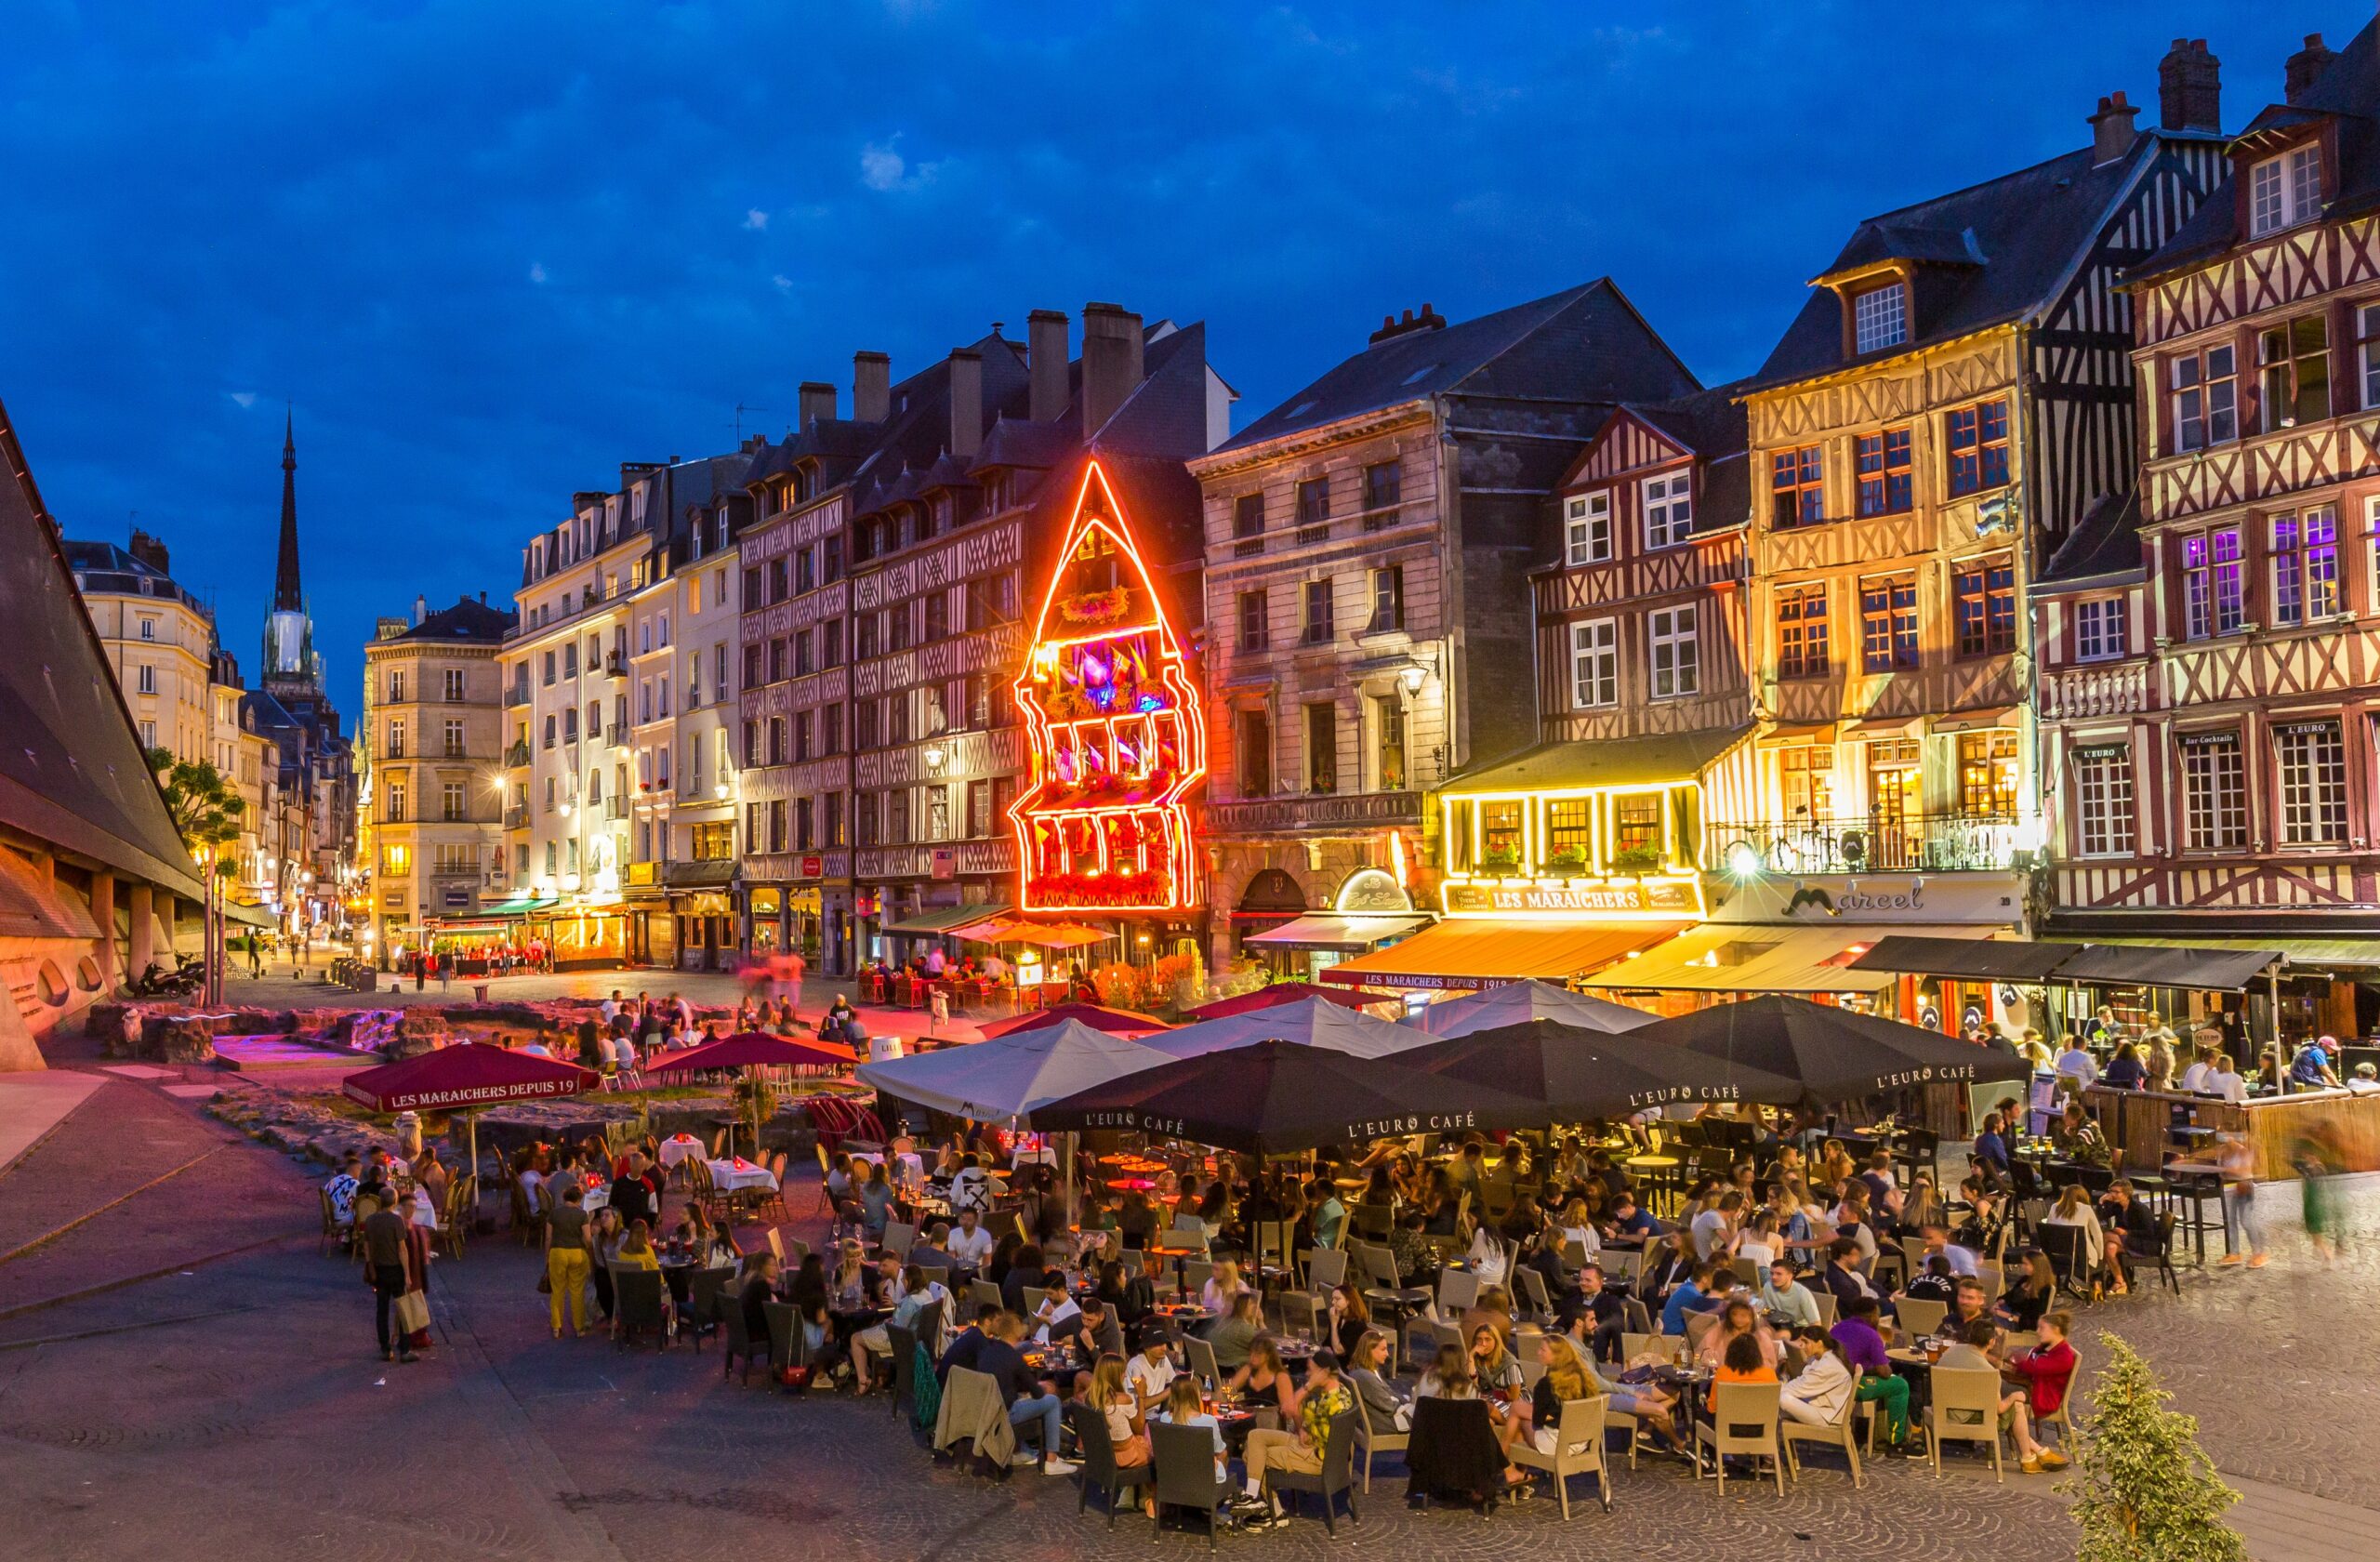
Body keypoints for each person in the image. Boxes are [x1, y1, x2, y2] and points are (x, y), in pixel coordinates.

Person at [1236, 1350, 1351, 1530]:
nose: (1307, 1375)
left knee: (1252, 1456)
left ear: (1323, 1372)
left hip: (1316, 1458)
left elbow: (1287, 1406)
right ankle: (1252, 1496)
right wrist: (1302, 1429)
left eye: (1310, 1371)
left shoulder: (1330, 1402)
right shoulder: (1339, 1391)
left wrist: (1307, 1387)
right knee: (1255, 1436)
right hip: (1310, 1444)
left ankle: (1275, 1511)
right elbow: (1294, 1412)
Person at [973, 1311, 1075, 1476]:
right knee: (1052, 1401)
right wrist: (1043, 1386)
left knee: (1022, 1397)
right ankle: (1052, 1460)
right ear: (1017, 1333)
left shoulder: (986, 1350)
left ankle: (1019, 1450)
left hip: (984, 1409)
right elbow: (1037, 1393)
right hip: (1005, 1413)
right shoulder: (1014, 1358)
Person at [1831, 1296, 1913, 1454]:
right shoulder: (1871, 1335)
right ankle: (1896, 1441)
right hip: (1852, 1385)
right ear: (1874, 1315)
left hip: (1832, 1381)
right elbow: (1885, 1372)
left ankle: (1870, 1433)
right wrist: (1874, 1367)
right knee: (1899, 1385)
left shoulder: (1837, 1327)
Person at [1997, 1312, 2077, 1474]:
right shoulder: (2044, 1348)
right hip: (2031, 1389)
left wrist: (2018, 1361)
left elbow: (2035, 1367)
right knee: (2004, 1397)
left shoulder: (2063, 1355)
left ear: (2055, 1330)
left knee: (2006, 1398)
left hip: (2043, 1397)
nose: (2038, 1332)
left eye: (2042, 1328)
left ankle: (2031, 1456)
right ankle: (2039, 1452)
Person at [360, 1190, 416, 1364]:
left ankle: (385, 1348)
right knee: (403, 1309)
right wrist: (407, 1274)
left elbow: (367, 1247)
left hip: (379, 1270)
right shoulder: (396, 1220)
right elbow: (402, 1249)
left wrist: (370, 1265)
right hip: (395, 1269)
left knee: (382, 1309)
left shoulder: (370, 1221)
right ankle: (405, 1349)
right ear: (395, 1201)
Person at [1778, 1325, 1857, 1427]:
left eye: (1806, 1342)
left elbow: (1802, 1386)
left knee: (1783, 1399)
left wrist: (1775, 1391)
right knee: (1779, 1402)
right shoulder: (1821, 1358)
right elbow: (1802, 1382)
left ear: (1819, 1343)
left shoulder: (1828, 1364)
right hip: (1820, 1408)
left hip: (1828, 1415)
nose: (1802, 1346)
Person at [543, 1184, 593, 1339]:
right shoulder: (582, 1214)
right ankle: (579, 1328)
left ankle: (556, 1327)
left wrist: (547, 1257)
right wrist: (591, 1256)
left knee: (557, 1291)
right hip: (577, 1253)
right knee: (577, 1292)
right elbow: (587, 1239)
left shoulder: (553, 1214)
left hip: (557, 1253)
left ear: (565, 1198)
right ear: (579, 1199)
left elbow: (548, 1238)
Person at [2215, 1129, 2268, 1268]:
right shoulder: (2221, 1151)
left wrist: (2228, 1171)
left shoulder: (2242, 1151)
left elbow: (2245, 1171)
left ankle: (2259, 1253)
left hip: (2243, 1187)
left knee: (2246, 1221)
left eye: (2226, 1134)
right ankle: (2234, 1253)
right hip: (2228, 1188)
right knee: (2230, 1221)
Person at [1346, 1328, 1412, 1431]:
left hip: (1384, 1417)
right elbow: (1389, 1407)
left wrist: (1406, 1401)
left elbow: (1388, 1391)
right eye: (1383, 1349)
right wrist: (1410, 1406)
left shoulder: (1369, 1369)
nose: (1387, 1354)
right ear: (1369, 1350)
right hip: (1384, 1423)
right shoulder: (1365, 1377)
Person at [1757, 1257, 1821, 1330]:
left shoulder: (1802, 1294)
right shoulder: (1768, 1287)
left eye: (1779, 1274)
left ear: (1790, 1276)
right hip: (1777, 1325)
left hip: (1798, 1328)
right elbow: (1765, 1309)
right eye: (1772, 1273)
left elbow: (1816, 1324)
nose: (1774, 1277)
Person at [1207, 1291, 1263, 1372]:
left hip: (1217, 1371)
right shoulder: (1244, 1329)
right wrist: (1261, 1322)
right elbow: (1270, 1345)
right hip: (1236, 1373)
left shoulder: (1221, 1322)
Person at [1125, 1330, 1179, 1410]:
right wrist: (1170, 1390)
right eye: (1159, 1345)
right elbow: (1141, 1405)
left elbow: (1174, 1382)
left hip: (1156, 1414)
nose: (1164, 1348)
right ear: (1146, 1348)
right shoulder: (1135, 1366)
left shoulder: (1163, 1359)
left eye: (1164, 1343)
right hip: (1139, 1417)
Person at [324, 1153, 363, 1241]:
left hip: (330, 1217)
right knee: (362, 1213)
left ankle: (346, 1239)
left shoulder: (336, 1179)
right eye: (359, 1169)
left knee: (350, 1208)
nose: (360, 1173)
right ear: (354, 1169)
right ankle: (354, 1241)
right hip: (339, 1219)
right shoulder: (354, 1183)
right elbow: (359, 1201)